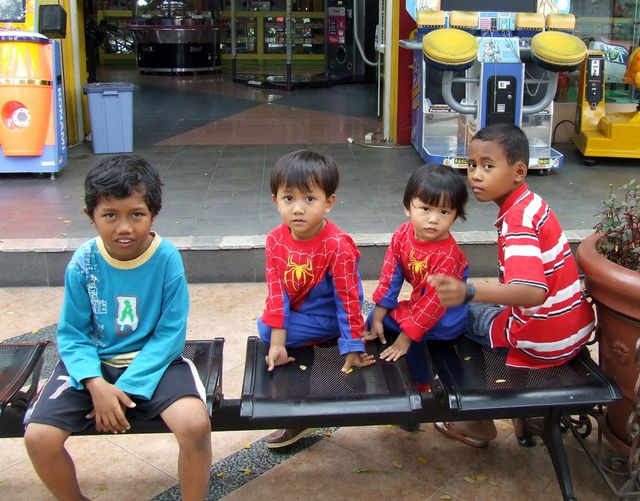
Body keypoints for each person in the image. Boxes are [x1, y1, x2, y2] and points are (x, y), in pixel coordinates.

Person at [23, 155, 212, 500]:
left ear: (153, 214)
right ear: (91, 217)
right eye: (110, 215)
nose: (124, 227)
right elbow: (73, 334)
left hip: (155, 364)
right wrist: (96, 384)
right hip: (91, 366)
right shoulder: (84, 262)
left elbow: (170, 334)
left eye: (136, 214)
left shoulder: (166, 257)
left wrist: (126, 387)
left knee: (195, 425)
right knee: (39, 438)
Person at [429, 124, 595, 447]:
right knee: (474, 308)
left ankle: (477, 422)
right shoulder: (532, 205)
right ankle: (524, 416)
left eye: (487, 166)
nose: (475, 175)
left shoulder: (517, 221)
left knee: (443, 316)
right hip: (570, 331)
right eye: (472, 165)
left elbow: (533, 291)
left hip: (540, 340)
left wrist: (469, 292)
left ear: (519, 171)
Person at [258, 149, 376, 448]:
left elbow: (349, 300)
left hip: (329, 319)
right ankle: (294, 343)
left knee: (267, 328)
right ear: (276, 201)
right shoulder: (274, 240)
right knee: (267, 328)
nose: (298, 209)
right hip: (300, 313)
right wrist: (278, 342)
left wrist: (351, 345)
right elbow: (276, 292)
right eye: (289, 199)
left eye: (309, 199)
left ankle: (327, 340)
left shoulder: (338, 246)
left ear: (328, 203)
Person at [364, 164, 469, 391]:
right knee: (373, 318)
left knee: (413, 340)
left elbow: (433, 304)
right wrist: (379, 316)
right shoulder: (402, 235)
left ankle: (422, 386)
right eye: (425, 209)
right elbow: (390, 277)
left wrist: (405, 337)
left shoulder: (448, 255)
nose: (433, 219)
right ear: (407, 208)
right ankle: (372, 367)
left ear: (456, 215)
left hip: (444, 316)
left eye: (444, 212)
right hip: (418, 305)